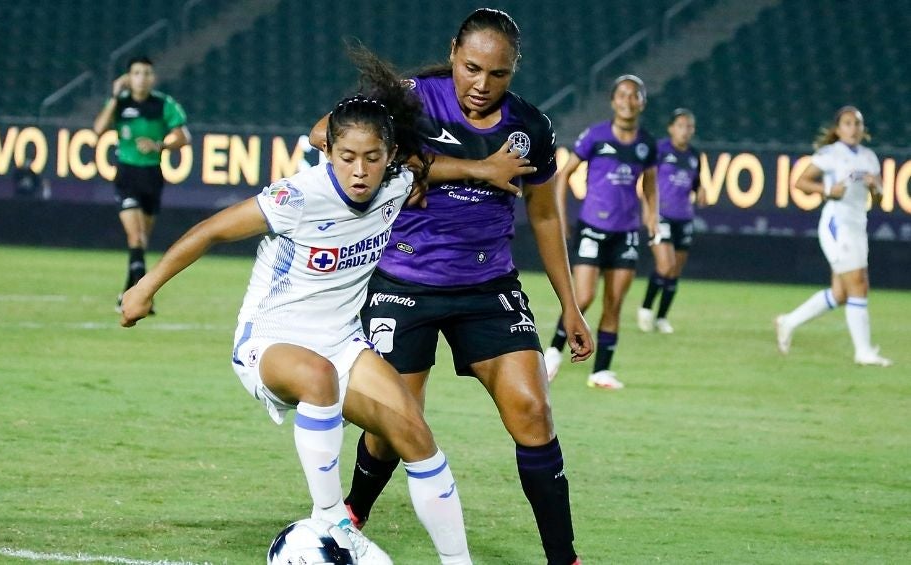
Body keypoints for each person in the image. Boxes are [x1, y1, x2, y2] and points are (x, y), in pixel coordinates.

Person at [120, 49, 473, 565]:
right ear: (329, 152)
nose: (359, 170)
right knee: (317, 376)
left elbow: (434, 168)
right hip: (270, 339)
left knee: (414, 433)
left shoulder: (399, 182)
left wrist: (480, 161)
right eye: (346, 156)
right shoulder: (299, 196)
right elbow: (210, 231)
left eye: (372, 157)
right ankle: (333, 521)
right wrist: (145, 287)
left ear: (391, 155)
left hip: (343, 341)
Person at [312, 10, 593, 565]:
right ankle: (352, 514)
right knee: (395, 424)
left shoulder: (530, 128)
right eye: (471, 68)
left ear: (514, 71)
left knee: (534, 412)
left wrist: (572, 307)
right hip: (404, 283)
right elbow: (325, 133)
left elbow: (543, 214)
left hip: (488, 288)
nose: (482, 85)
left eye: (498, 74)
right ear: (453, 53)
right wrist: (455, 167)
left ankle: (564, 558)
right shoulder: (411, 99)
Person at [545, 74, 659, 390]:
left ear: (642, 103)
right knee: (584, 296)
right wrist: (560, 216)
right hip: (593, 228)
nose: (628, 100)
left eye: (634, 95)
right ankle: (553, 350)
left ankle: (601, 372)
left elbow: (650, 184)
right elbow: (564, 175)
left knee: (614, 302)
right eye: (622, 95)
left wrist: (653, 216)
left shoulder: (646, 144)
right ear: (613, 101)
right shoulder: (595, 137)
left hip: (626, 233)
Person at [775, 106, 892, 367]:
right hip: (837, 224)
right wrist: (828, 189)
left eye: (857, 124)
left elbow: (879, 198)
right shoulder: (830, 154)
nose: (853, 128)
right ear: (838, 129)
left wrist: (877, 188)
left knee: (840, 293)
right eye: (848, 123)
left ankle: (788, 322)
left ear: (863, 129)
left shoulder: (869, 158)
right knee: (859, 285)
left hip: (857, 224)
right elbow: (801, 182)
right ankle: (863, 352)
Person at [93, 55, 190, 313]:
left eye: (146, 73)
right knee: (135, 236)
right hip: (127, 175)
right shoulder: (120, 104)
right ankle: (143, 296)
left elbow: (183, 137)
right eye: (136, 73)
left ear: (153, 78)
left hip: (152, 176)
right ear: (128, 77)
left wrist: (160, 145)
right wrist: (114, 96)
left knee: (141, 240)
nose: (142, 78)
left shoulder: (162, 104)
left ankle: (130, 293)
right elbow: (99, 128)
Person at [637, 108, 706, 334]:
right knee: (664, 266)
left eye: (689, 127)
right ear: (671, 128)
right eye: (681, 126)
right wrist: (649, 212)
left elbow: (696, 184)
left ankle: (662, 317)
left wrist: (702, 191)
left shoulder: (695, 155)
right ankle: (646, 309)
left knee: (674, 271)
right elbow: (646, 181)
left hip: (684, 217)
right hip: (662, 215)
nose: (685, 131)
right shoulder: (659, 150)